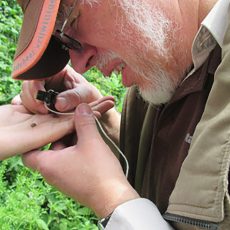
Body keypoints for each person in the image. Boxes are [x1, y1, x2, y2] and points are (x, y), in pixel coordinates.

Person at [11, 0, 230, 229]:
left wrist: (110, 197)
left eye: (73, 20)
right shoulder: (154, 81)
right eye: (66, 44)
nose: (79, 65)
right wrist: (102, 127)